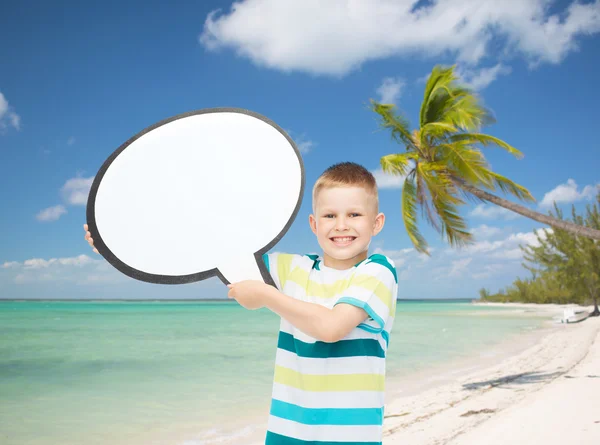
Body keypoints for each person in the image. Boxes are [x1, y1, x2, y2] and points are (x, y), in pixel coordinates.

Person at [84, 161, 397, 444]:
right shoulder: (293, 268)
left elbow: (331, 327)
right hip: (287, 432)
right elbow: (210, 252)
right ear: (314, 224)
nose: (341, 225)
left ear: (376, 223)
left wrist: (266, 295)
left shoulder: (378, 271)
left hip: (350, 437)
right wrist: (118, 244)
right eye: (330, 216)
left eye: (354, 214)